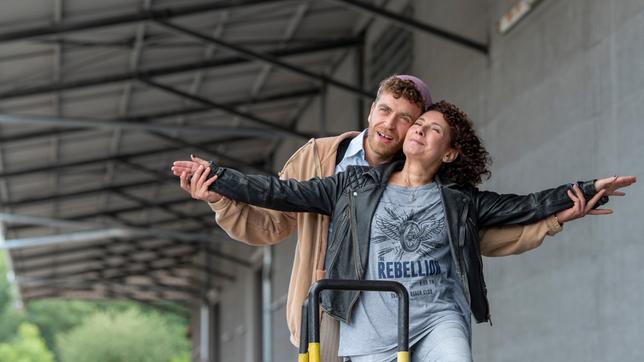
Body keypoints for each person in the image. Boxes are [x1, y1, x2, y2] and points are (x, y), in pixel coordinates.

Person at [172, 75, 615, 361]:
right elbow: (273, 206)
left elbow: (494, 228)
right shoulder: (328, 166)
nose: (394, 124)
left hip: (424, 310)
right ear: (371, 111)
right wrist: (218, 187)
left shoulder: (453, 198)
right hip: (336, 308)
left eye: (409, 119)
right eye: (385, 110)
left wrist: (565, 211)